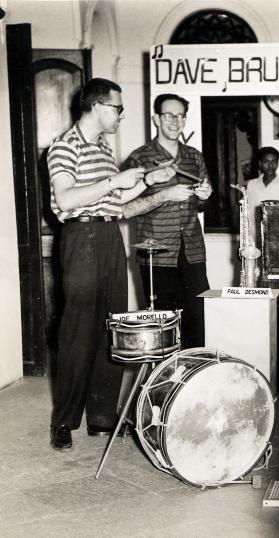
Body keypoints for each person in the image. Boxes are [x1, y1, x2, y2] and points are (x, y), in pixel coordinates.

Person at [47, 78, 174, 450]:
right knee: (77, 330)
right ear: (98, 106)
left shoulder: (103, 147)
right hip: (80, 237)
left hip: (107, 236)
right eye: (118, 108)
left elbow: (116, 201)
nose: (121, 114)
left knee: (111, 327)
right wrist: (114, 181)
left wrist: (149, 180)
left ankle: (101, 414)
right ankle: (64, 421)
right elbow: (67, 198)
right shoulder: (63, 146)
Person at [122, 93, 212, 349]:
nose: (176, 120)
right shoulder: (140, 159)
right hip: (156, 253)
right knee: (162, 327)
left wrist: (205, 196)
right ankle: (163, 384)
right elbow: (127, 207)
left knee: (197, 320)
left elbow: (203, 204)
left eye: (181, 115)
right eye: (169, 115)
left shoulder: (194, 157)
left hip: (193, 251)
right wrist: (165, 195)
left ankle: (192, 381)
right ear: (156, 119)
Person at [245, 146, 279, 212]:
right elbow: (250, 210)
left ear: (277, 163)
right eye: (266, 161)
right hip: (257, 222)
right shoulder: (252, 184)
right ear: (260, 163)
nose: (270, 165)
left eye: (274, 161)